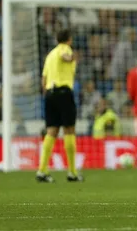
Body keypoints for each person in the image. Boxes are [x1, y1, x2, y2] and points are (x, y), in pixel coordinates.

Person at [37, 29, 82, 183]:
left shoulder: (49, 55)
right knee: (69, 129)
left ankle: (42, 170)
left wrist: (48, 95)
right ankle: (72, 172)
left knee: (52, 131)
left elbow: (43, 79)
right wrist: (71, 58)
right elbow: (65, 56)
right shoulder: (65, 49)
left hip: (49, 94)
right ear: (69, 39)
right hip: (63, 92)